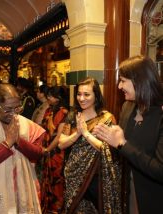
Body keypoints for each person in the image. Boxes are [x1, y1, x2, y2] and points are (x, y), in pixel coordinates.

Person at [93, 55, 163, 213]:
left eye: (123, 80)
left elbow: (160, 170)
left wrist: (122, 144)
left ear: (139, 81)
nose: (119, 86)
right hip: (128, 195)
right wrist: (109, 139)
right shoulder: (127, 107)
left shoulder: (160, 115)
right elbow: (123, 155)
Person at [0, 83, 46, 214]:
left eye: (17, 108)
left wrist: (18, 141)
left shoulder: (23, 124)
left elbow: (38, 154)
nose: (13, 114)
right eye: (7, 109)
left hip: (21, 193)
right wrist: (7, 144)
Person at [58, 77, 121, 213]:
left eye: (86, 94)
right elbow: (61, 144)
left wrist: (86, 133)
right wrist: (77, 134)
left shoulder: (106, 118)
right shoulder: (73, 115)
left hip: (96, 177)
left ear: (96, 96)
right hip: (73, 176)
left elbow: (109, 149)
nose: (81, 98)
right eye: (79, 94)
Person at [39, 86, 68, 213]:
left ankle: (56, 209)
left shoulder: (63, 112)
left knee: (56, 180)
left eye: (51, 96)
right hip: (47, 150)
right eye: (48, 95)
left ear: (59, 97)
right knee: (46, 179)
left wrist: (47, 150)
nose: (48, 98)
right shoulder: (49, 110)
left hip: (56, 153)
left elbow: (59, 136)